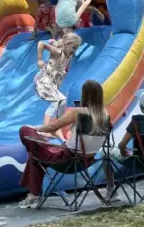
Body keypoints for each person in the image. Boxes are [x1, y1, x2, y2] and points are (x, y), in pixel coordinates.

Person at [17, 79, 110, 208]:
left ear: (85, 95)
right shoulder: (105, 115)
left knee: (25, 131)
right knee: (36, 155)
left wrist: (34, 128)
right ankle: (33, 195)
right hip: (85, 162)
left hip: (66, 160)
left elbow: (52, 127)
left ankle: (33, 195)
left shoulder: (78, 113)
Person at [34, 31, 82, 139]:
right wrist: (40, 59)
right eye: (73, 47)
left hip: (50, 83)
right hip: (42, 81)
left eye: (76, 48)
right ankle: (47, 128)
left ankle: (56, 129)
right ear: (66, 44)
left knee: (62, 101)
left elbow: (62, 70)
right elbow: (41, 44)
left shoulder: (68, 58)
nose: (74, 51)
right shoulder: (58, 52)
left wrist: (63, 73)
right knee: (57, 101)